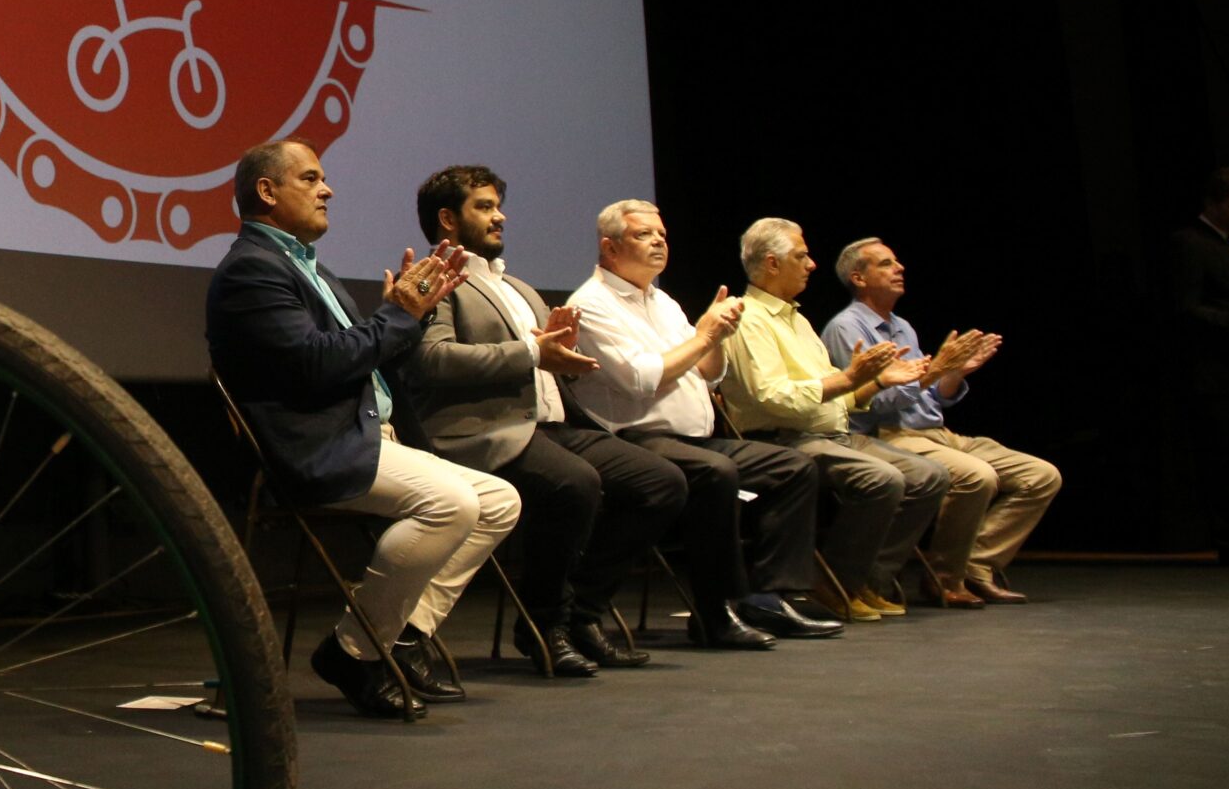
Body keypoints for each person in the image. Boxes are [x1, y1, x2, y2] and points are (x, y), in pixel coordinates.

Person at [206, 140, 519, 718]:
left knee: (499, 500)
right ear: (267, 191)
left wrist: (403, 320)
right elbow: (317, 365)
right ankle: (357, 652)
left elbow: (356, 359)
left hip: (362, 431)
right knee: (451, 504)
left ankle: (394, 638)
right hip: (318, 446)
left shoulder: (306, 265)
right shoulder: (253, 269)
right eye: (311, 178)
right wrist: (399, 315)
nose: (327, 190)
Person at [398, 167, 686, 674]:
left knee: (660, 482)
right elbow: (432, 360)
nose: (499, 215)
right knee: (574, 485)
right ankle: (544, 625)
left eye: (497, 206)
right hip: (484, 431)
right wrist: (531, 351)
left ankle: (582, 613)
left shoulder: (519, 287)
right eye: (483, 207)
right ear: (447, 219)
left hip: (550, 425)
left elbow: (545, 360)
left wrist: (565, 362)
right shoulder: (432, 278)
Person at [563, 199, 836, 646]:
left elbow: (708, 371)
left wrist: (719, 337)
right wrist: (705, 334)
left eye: (662, 235)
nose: (658, 242)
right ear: (609, 248)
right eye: (643, 234)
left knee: (794, 468)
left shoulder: (664, 302)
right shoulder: (592, 304)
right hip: (636, 440)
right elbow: (641, 378)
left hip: (693, 440)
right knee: (716, 474)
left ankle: (767, 598)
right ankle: (716, 612)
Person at [718, 218, 950, 621]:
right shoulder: (749, 319)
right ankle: (835, 583)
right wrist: (847, 379)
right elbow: (772, 398)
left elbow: (838, 399)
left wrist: (873, 384)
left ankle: (866, 579)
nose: (811, 265)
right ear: (772, 264)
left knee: (932, 476)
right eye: (801, 256)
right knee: (883, 479)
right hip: (783, 440)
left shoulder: (798, 320)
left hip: (830, 433)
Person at [821, 238, 1059, 604]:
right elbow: (869, 403)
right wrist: (932, 374)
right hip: (892, 435)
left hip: (938, 432)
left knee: (1040, 476)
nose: (899, 268)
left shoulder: (903, 327)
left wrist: (953, 374)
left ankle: (975, 566)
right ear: (859, 277)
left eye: (897, 262)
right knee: (976, 476)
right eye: (885, 263)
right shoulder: (845, 328)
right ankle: (945, 580)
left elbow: (929, 397)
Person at [1163, 167, 1229, 563]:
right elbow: (1186, 309)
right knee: (1224, 459)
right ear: (1212, 203)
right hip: (1214, 374)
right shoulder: (1189, 243)